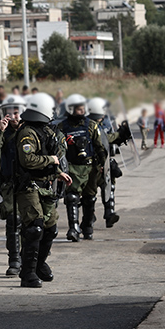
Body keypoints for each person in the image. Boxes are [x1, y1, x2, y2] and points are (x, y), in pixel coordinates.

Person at [14, 93, 72, 288]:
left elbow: (50, 155)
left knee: (51, 228)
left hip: (46, 184)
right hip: (28, 185)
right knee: (34, 227)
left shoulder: (46, 131)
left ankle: (39, 264)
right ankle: (27, 274)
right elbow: (28, 160)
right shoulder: (27, 133)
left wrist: (58, 173)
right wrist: (52, 161)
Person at [56, 94, 108, 241]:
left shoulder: (91, 125)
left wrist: (104, 165)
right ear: (71, 109)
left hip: (90, 168)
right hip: (71, 168)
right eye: (79, 109)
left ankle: (87, 226)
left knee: (89, 199)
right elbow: (57, 148)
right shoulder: (61, 127)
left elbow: (100, 147)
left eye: (83, 109)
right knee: (72, 198)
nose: (82, 111)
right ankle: (74, 228)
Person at [0, 94, 26, 276]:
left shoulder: (30, 130)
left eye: (16, 112)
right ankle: (14, 259)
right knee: (13, 220)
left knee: (30, 222)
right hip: (9, 184)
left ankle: (28, 257)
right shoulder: (1, 133)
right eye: (10, 113)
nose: (13, 116)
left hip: (29, 183)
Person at [88, 98, 131, 229]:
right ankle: (89, 218)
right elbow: (103, 139)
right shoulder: (89, 126)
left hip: (102, 162)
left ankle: (109, 213)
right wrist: (119, 135)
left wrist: (120, 135)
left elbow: (106, 139)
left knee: (109, 183)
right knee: (89, 194)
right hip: (91, 165)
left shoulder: (100, 124)